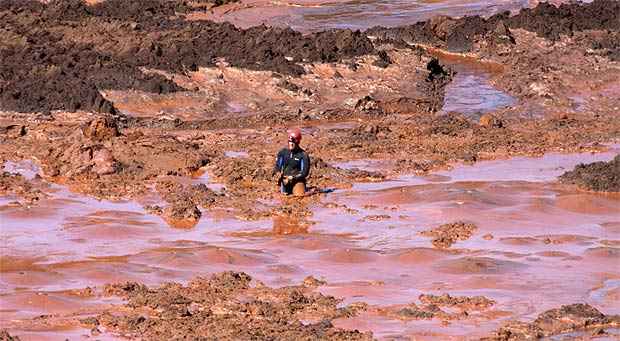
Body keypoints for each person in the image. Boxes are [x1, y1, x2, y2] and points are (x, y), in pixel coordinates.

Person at [273, 128, 310, 196]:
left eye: (293, 143)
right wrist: (277, 173)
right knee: (282, 198)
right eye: (289, 142)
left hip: (297, 181)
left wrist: (293, 177)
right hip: (285, 181)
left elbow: (304, 173)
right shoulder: (283, 152)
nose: (291, 144)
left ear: (297, 142)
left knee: (299, 196)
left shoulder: (303, 155)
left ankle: (310, 191)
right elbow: (277, 166)